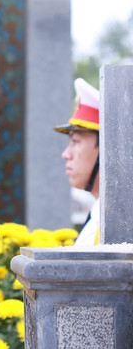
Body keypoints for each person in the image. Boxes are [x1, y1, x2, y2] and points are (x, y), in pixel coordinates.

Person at [55, 77, 100, 245]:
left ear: (106, 148)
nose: (66, 154)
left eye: (75, 142)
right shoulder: (99, 214)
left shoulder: (118, 224)